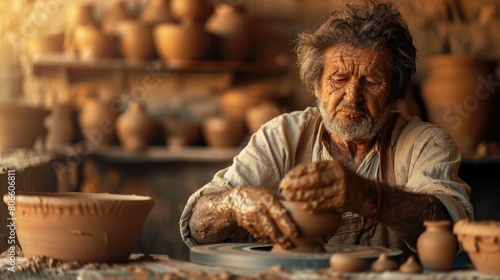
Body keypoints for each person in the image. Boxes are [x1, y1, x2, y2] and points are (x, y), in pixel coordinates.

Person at [179, 0, 473, 256]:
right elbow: (199, 226)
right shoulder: (282, 136)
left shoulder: (425, 143)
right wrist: (233, 202)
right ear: (316, 85)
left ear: (396, 94)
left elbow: (448, 227)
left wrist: (363, 195)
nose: (352, 97)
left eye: (371, 82)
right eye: (339, 79)